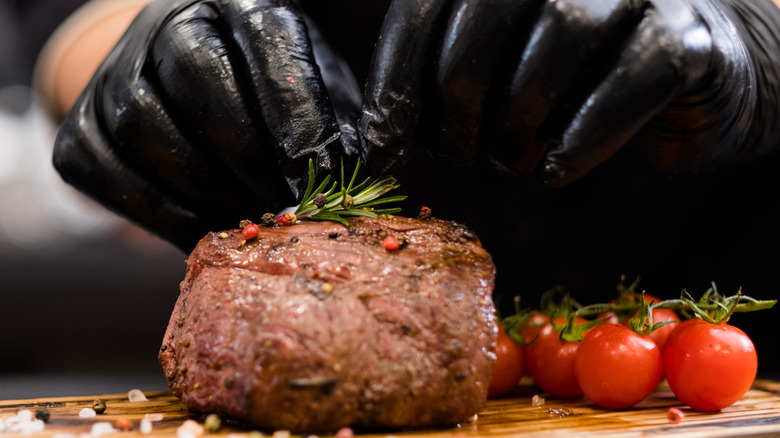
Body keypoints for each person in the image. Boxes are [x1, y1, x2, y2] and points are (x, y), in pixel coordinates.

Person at [49, 0, 780, 375]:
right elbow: (73, 33)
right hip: (305, 304)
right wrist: (155, 52)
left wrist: (761, 30)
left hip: (714, 306)